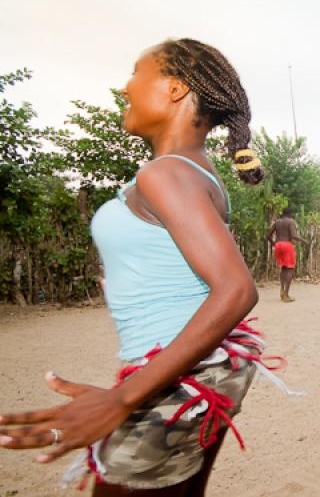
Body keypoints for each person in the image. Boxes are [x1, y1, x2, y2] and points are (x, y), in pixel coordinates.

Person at [0, 38, 278, 496]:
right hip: (199, 366)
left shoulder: (165, 174)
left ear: (173, 89)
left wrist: (122, 399)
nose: (126, 85)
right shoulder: (188, 170)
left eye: (136, 72)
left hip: (179, 373)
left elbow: (236, 290)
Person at [267, 207, 308, 302]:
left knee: (283, 268)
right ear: (290, 214)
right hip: (287, 245)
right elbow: (293, 235)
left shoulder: (277, 222)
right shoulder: (291, 221)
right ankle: (286, 295)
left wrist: (274, 244)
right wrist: (304, 240)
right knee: (290, 269)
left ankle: (282, 290)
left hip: (278, 245)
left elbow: (267, 236)